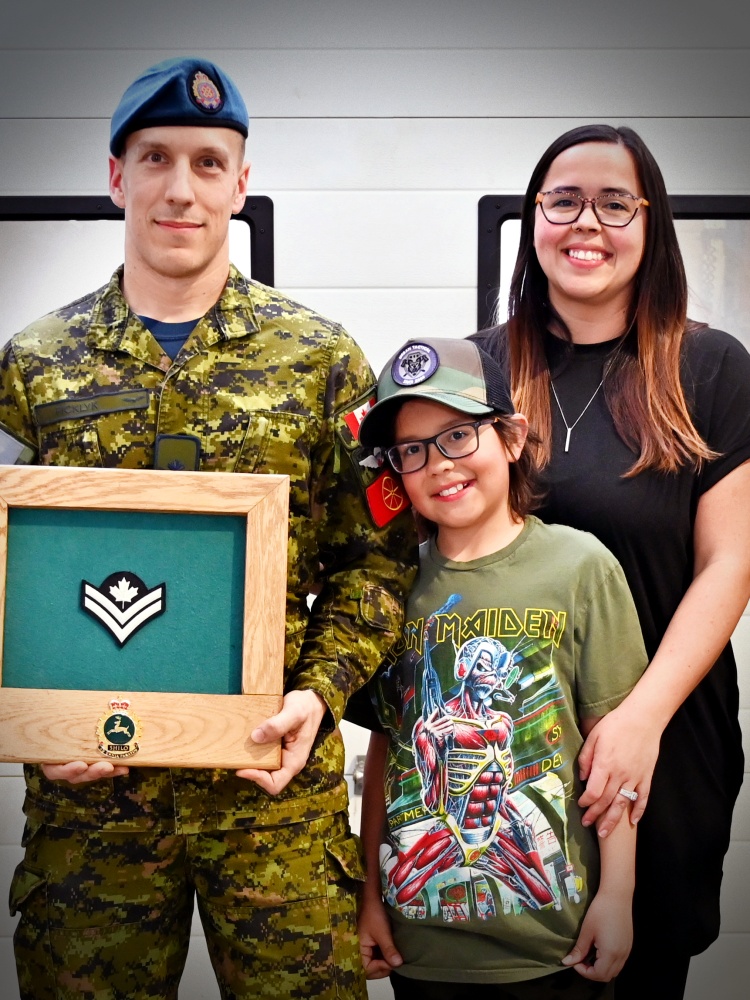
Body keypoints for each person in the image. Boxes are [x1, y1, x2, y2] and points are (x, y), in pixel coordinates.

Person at [0, 56, 417, 1000]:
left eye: (205, 161)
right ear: (116, 177)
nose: (179, 188)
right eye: (154, 158)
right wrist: (30, 717)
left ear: (240, 180)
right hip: (90, 817)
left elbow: (376, 561)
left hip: (272, 797)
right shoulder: (33, 367)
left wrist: (320, 696)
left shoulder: (319, 361)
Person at [470, 124, 750, 999]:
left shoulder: (709, 368)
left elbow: (731, 564)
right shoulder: (477, 370)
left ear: (650, 220)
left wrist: (638, 721)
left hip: (663, 745)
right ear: (533, 219)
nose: (585, 223)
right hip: (503, 759)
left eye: (614, 202)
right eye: (563, 200)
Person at [354, 335, 648, 998]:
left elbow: (616, 759)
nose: (438, 465)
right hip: (420, 943)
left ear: (511, 437)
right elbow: (384, 753)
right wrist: (370, 892)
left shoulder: (580, 567)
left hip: (554, 944)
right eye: (412, 450)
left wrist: (619, 895)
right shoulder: (389, 585)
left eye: (457, 436)